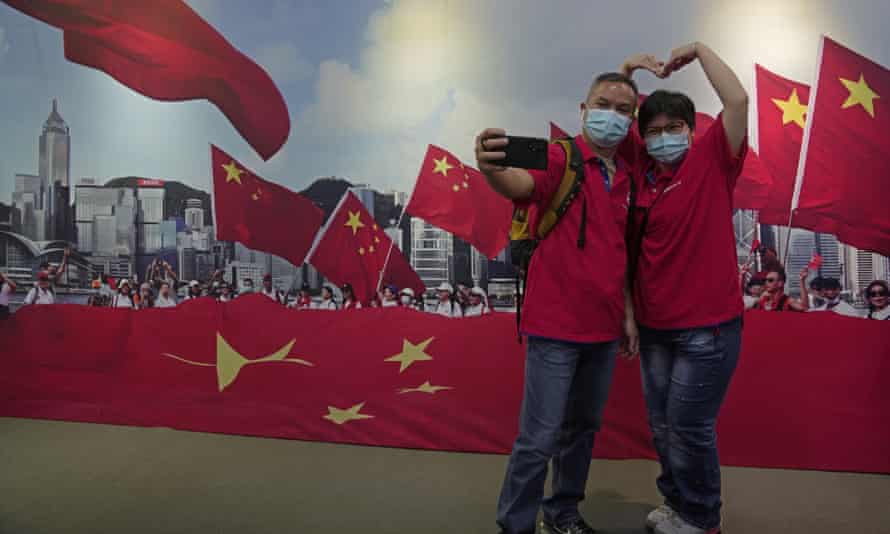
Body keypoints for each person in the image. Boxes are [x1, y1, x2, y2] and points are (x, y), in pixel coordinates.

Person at [476, 69, 639, 534]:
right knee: (539, 437)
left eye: (623, 110)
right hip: (555, 327)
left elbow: (619, 250)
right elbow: (519, 186)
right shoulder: (559, 157)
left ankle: (563, 512)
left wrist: (627, 313)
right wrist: (491, 170)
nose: (612, 116)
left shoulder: (627, 175)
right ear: (584, 109)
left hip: (605, 329)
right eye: (603, 105)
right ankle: (516, 523)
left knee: (582, 432)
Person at [620, 43, 759, 533]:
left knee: (690, 429)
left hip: (709, 331)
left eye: (673, 129)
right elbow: (616, 120)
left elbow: (738, 102)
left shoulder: (712, 160)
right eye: (653, 132)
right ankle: (677, 503)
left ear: (692, 130)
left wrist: (699, 51)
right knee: (662, 429)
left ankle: (702, 518)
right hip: (656, 328)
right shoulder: (642, 177)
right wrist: (627, 70)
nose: (663, 139)